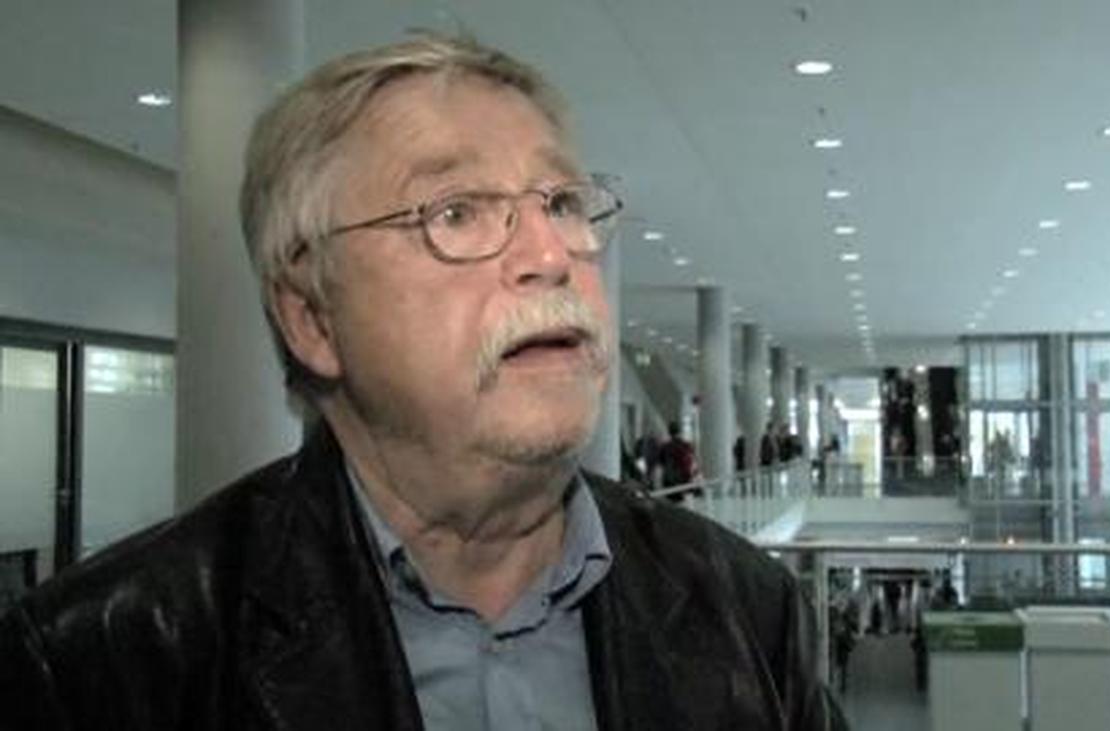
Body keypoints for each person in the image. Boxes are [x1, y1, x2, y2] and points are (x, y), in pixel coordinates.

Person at [0, 35, 844, 730]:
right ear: (313, 317)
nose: (550, 253)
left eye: (560, 201)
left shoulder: (750, 610)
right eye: (455, 212)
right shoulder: (102, 663)